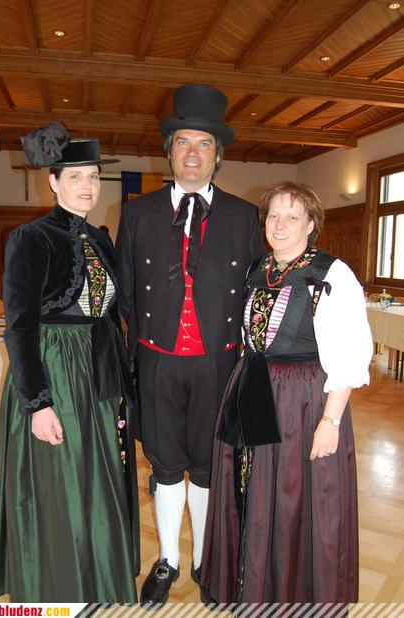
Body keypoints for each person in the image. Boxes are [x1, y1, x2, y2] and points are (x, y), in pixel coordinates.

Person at [115, 83, 265, 607]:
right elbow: (126, 293)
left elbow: (257, 294)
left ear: (218, 155)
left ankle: (204, 558)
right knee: (164, 465)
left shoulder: (245, 217)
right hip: (157, 362)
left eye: (204, 143)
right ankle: (168, 560)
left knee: (205, 466)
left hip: (217, 365)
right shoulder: (138, 214)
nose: (193, 152)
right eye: (183, 142)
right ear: (169, 151)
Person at [200, 181, 373, 606]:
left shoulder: (332, 275)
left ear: (311, 224)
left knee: (293, 498)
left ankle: (290, 596)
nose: (280, 225)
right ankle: (251, 588)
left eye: (292, 217)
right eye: (274, 215)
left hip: (302, 400)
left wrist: (330, 420)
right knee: (253, 491)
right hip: (253, 389)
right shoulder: (259, 268)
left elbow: (350, 353)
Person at [0, 123, 139, 603]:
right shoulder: (30, 238)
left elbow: (111, 315)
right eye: (76, 177)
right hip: (55, 373)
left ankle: (98, 581)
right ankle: (57, 591)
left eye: (93, 177)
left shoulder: (100, 237)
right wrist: (38, 404)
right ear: (53, 181)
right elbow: (20, 327)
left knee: (97, 480)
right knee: (62, 483)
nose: (88, 186)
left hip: (96, 375)